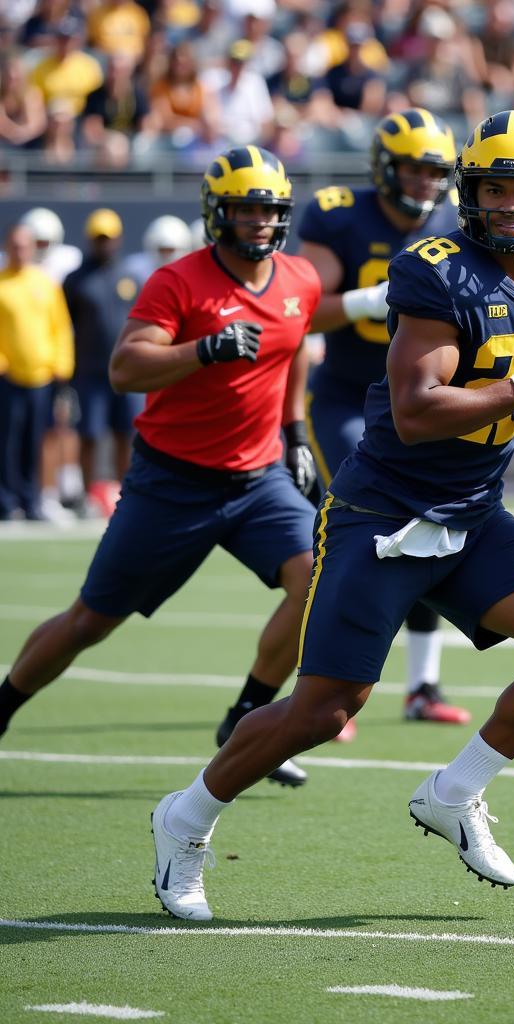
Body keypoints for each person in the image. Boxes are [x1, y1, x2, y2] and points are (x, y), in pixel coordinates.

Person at [149, 109, 514, 921]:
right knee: (325, 709)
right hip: (385, 512)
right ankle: (185, 819)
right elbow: (415, 409)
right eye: (492, 189)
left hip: (475, 510)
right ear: (469, 191)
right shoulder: (437, 271)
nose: (507, 206)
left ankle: (455, 792)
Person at [0, 146, 320, 794]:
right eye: (248, 208)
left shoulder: (299, 279)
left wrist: (295, 436)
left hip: (260, 478)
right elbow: (124, 369)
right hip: (174, 481)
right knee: (91, 620)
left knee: (319, 577)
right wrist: (204, 349)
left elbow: (291, 358)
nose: (261, 221)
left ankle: (248, 715)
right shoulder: (178, 282)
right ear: (218, 213)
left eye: (272, 210)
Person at [296, 107, 470, 732]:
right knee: (352, 531)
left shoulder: (459, 221)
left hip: (421, 402)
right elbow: (302, 311)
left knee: (430, 523)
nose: (426, 181)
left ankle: (422, 685)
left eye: (436, 170)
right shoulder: (341, 212)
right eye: (414, 168)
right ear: (384, 166)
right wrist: (365, 301)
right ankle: (318, 686)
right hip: (349, 396)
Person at [62, 208, 144, 513]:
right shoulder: (75, 280)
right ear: (90, 240)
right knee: (90, 435)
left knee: (126, 434)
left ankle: (124, 496)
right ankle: (86, 496)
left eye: (108, 238)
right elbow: (66, 323)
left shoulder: (130, 276)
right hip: (90, 373)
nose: (104, 244)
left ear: (119, 238)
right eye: (98, 239)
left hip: (126, 372)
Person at [0, 222, 74, 521]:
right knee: (7, 441)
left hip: (42, 377)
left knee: (37, 441)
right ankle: (6, 501)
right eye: (15, 245)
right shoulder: (2, 283)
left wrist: (62, 363)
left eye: (24, 245)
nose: (20, 251)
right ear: (7, 248)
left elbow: (60, 328)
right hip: (9, 376)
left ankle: (31, 500)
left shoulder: (45, 284)